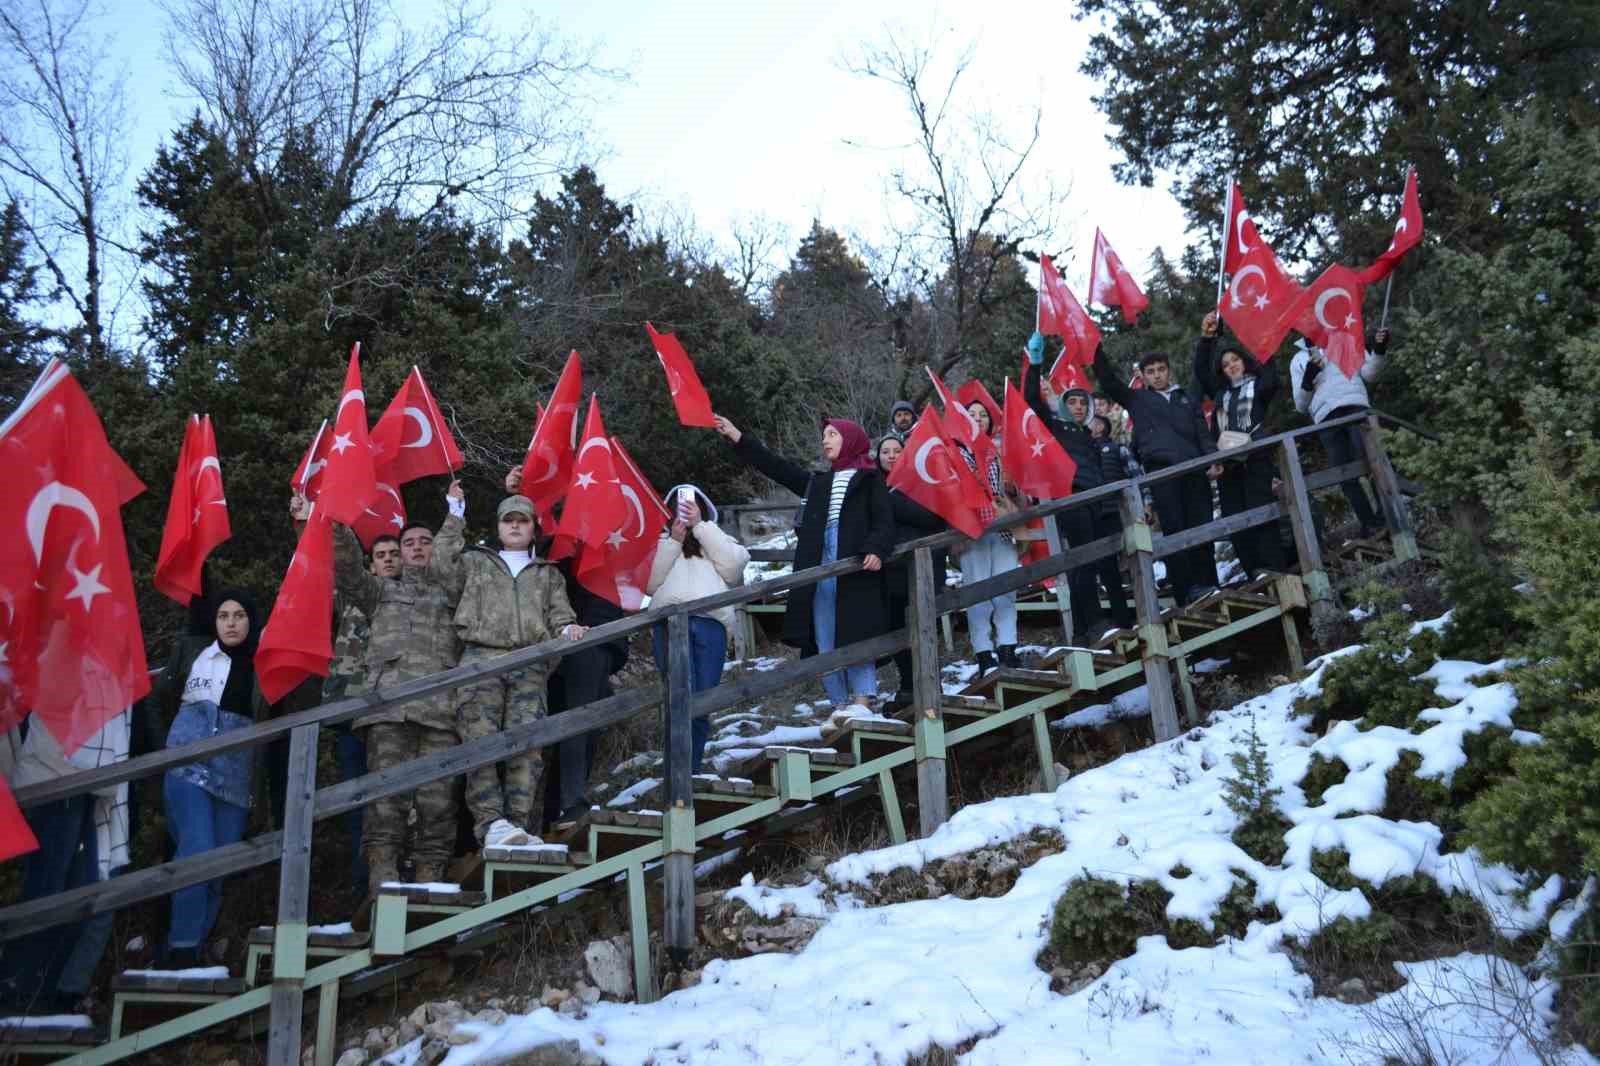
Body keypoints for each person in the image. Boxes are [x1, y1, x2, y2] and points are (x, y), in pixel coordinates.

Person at [430, 485, 587, 849]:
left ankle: (518, 825)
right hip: (480, 662)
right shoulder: (474, 562)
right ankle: (491, 824)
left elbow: (561, 617)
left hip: (530, 665)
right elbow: (439, 566)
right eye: (508, 520)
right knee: (479, 743)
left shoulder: (548, 574)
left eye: (523, 521)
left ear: (534, 528)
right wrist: (455, 513)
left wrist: (568, 629)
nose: (515, 526)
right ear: (499, 527)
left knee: (528, 746)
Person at [326, 494, 462, 900]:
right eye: (410, 543)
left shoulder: (454, 596)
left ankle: (429, 885)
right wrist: (338, 527)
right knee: (386, 805)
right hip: (389, 714)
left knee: (438, 806)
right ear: (399, 554)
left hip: (442, 716)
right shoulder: (378, 593)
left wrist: (454, 518)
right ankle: (382, 886)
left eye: (425, 541)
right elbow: (348, 569)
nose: (418, 547)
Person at [713, 414, 893, 715]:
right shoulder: (818, 483)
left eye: (833, 434)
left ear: (850, 438)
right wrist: (737, 437)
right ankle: (838, 706)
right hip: (819, 566)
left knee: (859, 631)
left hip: (857, 569)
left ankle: (862, 701)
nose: (825, 440)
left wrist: (876, 548)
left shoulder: (871, 479)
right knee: (823, 634)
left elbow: (884, 521)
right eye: (825, 436)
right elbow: (777, 468)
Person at [148, 589, 270, 967]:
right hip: (188, 761)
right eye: (223, 616)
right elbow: (153, 695)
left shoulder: (264, 663)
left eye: (239, 615)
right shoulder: (194, 651)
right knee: (196, 850)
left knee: (219, 865)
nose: (231, 623)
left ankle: (190, 948)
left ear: (252, 621)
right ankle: (181, 946)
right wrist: (160, 747)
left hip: (235, 772)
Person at [506, 467, 631, 834]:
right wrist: (522, 494)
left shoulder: (606, 531)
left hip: (596, 641)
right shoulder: (551, 543)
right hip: (554, 645)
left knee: (582, 728)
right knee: (560, 731)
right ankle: (553, 814)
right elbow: (527, 550)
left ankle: (569, 804)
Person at [0, 706, 130, 1012]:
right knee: (48, 888)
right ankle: (19, 987)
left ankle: (43, 989)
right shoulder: (57, 666)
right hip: (55, 780)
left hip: (85, 783)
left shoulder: (96, 671)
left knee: (79, 891)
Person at [1094, 341, 1221, 605]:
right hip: (1162, 474)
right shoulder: (1137, 399)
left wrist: (1213, 458)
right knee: (1175, 531)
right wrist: (1094, 347)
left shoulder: (1185, 397)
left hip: (1194, 470)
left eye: (1161, 369)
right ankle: (1185, 593)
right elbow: (1108, 382)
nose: (1157, 374)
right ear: (1143, 376)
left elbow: (1202, 432)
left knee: (1202, 527)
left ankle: (1210, 584)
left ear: (1169, 371)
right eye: (1150, 371)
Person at [1025, 334, 1130, 642]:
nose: (1080, 406)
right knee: (1083, 560)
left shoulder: (1089, 437)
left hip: (1095, 501)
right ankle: (1095, 622)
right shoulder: (1056, 428)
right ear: (1063, 405)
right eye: (1072, 401)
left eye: (1083, 402)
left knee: (1089, 562)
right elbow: (1032, 401)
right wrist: (1034, 364)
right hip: (1071, 499)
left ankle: (1083, 631)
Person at [644, 485, 750, 771]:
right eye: (679, 505)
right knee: (679, 697)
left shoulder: (715, 538)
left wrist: (701, 526)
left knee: (702, 701)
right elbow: (648, 582)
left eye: (691, 504)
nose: (685, 508)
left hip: (711, 624)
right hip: (668, 624)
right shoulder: (660, 542)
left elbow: (735, 567)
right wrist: (673, 542)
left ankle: (691, 769)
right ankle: (678, 772)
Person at [320, 530, 400, 906]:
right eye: (380, 554)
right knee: (357, 800)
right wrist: (303, 523)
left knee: (395, 799)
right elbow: (320, 568)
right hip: (350, 710)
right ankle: (361, 883)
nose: (387, 559)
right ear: (370, 562)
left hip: (393, 712)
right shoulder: (351, 595)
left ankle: (395, 875)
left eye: (393, 553)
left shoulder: (410, 597)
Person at [1194, 312, 1287, 578]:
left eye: (1235, 360)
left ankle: (1274, 568)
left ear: (1244, 362)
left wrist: (1264, 339)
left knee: (1262, 513)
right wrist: (1207, 339)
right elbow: (1200, 371)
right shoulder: (1221, 393)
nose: (1231, 365)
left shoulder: (1259, 387)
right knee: (1236, 519)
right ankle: (1252, 571)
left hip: (1256, 459)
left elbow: (1271, 373)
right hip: (1228, 466)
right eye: (1226, 364)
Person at [1290, 328, 1391, 540]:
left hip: (1356, 407)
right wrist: (1308, 378)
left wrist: (1379, 349)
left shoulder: (1345, 341)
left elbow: (1370, 373)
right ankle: (1369, 523)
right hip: (1326, 418)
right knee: (1345, 474)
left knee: (1373, 460)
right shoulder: (1298, 359)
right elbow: (1300, 405)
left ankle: (1388, 513)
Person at [876, 435, 947, 709]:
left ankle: (931, 683)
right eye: (885, 451)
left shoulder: (922, 480)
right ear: (878, 456)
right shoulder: (873, 485)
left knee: (924, 626)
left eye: (897, 450)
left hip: (922, 568)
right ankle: (907, 685)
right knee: (897, 629)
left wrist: (890, 501)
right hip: (888, 571)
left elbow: (932, 516)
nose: (891, 455)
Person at [954, 398, 1023, 673]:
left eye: (983, 415)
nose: (978, 418)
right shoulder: (954, 454)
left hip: (1003, 526)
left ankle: (1008, 646)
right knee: (978, 592)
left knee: (1006, 589)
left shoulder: (999, 452)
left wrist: (1012, 488)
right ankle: (983, 651)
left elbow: (1018, 487)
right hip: (972, 531)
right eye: (971, 414)